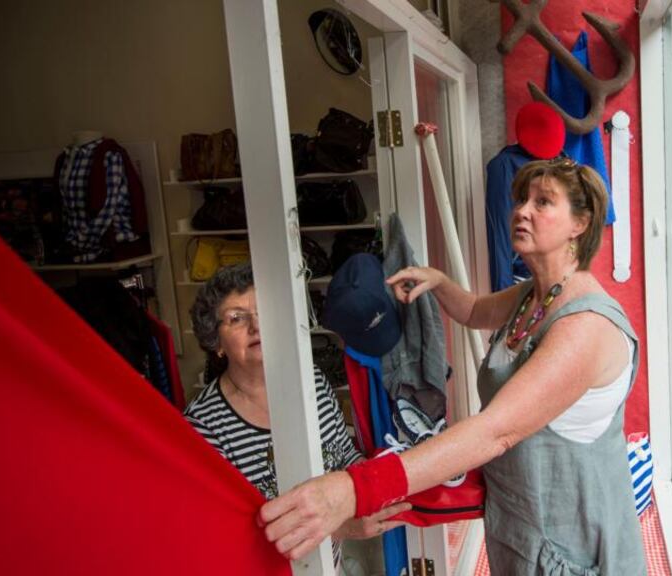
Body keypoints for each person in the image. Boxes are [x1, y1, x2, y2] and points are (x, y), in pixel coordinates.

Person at [259, 158, 648, 574]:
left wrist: (355, 489)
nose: (522, 210)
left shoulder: (585, 326)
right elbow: (476, 309)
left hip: (572, 543)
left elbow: (495, 430)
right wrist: (439, 282)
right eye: (521, 199)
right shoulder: (534, 296)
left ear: (580, 224)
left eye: (544, 202)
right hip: (523, 525)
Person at [183, 263, 409, 567]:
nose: (256, 326)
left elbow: (344, 457)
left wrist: (381, 482)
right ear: (215, 342)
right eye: (237, 318)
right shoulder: (202, 426)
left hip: (328, 565)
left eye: (263, 312)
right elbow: (225, 534)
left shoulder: (311, 382)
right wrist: (338, 525)